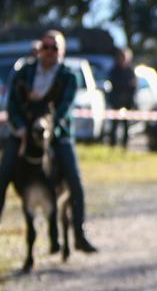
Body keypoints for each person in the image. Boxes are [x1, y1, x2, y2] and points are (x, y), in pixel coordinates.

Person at [0, 30, 98, 252]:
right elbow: (12, 104)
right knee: (4, 173)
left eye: (55, 48)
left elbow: (64, 109)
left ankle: (79, 234)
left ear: (61, 52)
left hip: (57, 134)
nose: (50, 52)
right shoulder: (24, 72)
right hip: (24, 133)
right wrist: (22, 128)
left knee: (75, 180)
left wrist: (48, 129)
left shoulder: (68, 76)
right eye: (46, 47)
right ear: (39, 49)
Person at [107, 47, 137, 148]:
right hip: (116, 102)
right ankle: (113, 144)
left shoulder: (130, 71)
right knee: (114, 125)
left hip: (127, 102)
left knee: (126, 125)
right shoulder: (114, 71)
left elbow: (133, 86)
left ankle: (125, 145)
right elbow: (113, 85)